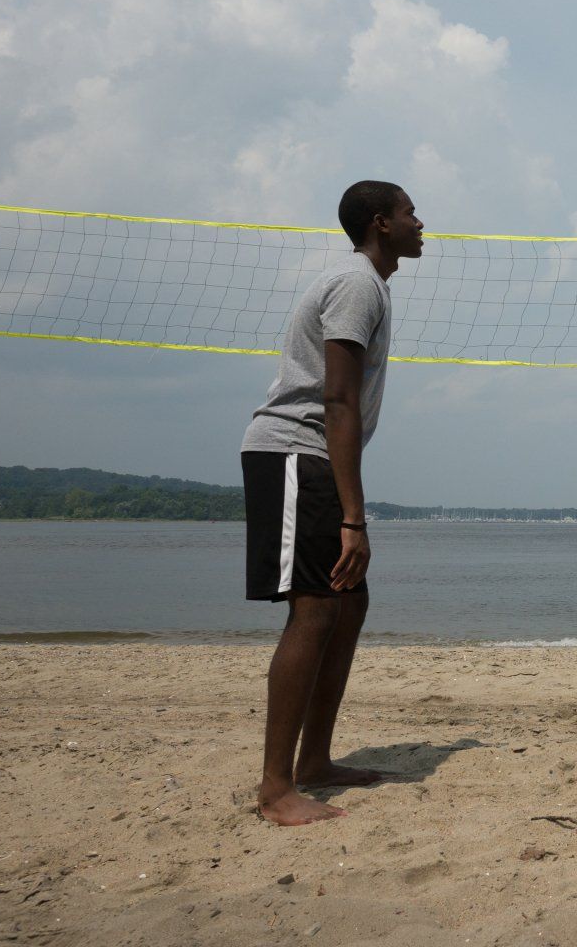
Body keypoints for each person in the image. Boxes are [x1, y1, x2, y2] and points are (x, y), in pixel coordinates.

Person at [240, 180, 424, 825]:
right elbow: (338, 400)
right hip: (294, 452)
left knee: (349, 602)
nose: (421, 223)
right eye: (410, 213)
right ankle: (276, 788)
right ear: (380, 223)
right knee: (315, 609)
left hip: (314, 457)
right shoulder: (355, 284)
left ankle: (315, 760)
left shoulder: (371, 285)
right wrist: (354, 517)